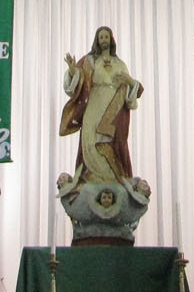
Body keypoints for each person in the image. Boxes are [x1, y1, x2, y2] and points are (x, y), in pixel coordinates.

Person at [59, 26, 142, 187]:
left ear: (111, 40)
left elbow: (130, 88)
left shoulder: (120, 64)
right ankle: (92, 179)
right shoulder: (90, 61)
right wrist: (72, 70)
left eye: (106, 37)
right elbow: (77, 82)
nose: (104, 40)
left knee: (111, 141)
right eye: (101, 37)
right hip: (94, 103)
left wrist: (130, 83)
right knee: (90, 138)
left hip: (114, 107)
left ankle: (113, 180)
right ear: (97, 40)